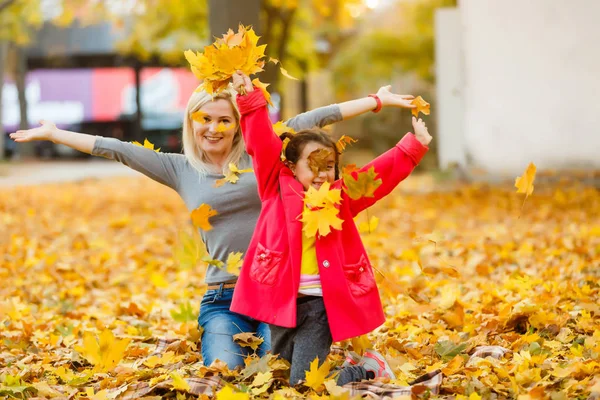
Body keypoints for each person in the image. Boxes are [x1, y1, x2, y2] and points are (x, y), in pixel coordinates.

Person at [9, 82, 421, 370]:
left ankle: (353, 364)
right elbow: (118, 150)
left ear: (237, 124)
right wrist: (54, 133)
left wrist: (376, 101)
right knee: (225, 369)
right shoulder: (178, 168)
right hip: (223, 296)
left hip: (277, 292)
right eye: (204, 118)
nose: (213, 128)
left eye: (224, 119)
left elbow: (317, 117)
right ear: (191, 121)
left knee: (276, 370)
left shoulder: (266, 159)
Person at [230, 71, 432, 385]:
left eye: (329, 166)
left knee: (303, 384)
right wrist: (249, 98)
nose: (322, 173)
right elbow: (260, 141)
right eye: (313, 164)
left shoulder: (340, 197)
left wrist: (412, 147)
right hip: (281, 303)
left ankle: (366, 369)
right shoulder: (275, 185)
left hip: (320, 306)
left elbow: (376, 177)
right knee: (281, 375)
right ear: (291, 166)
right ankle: (340, 366)